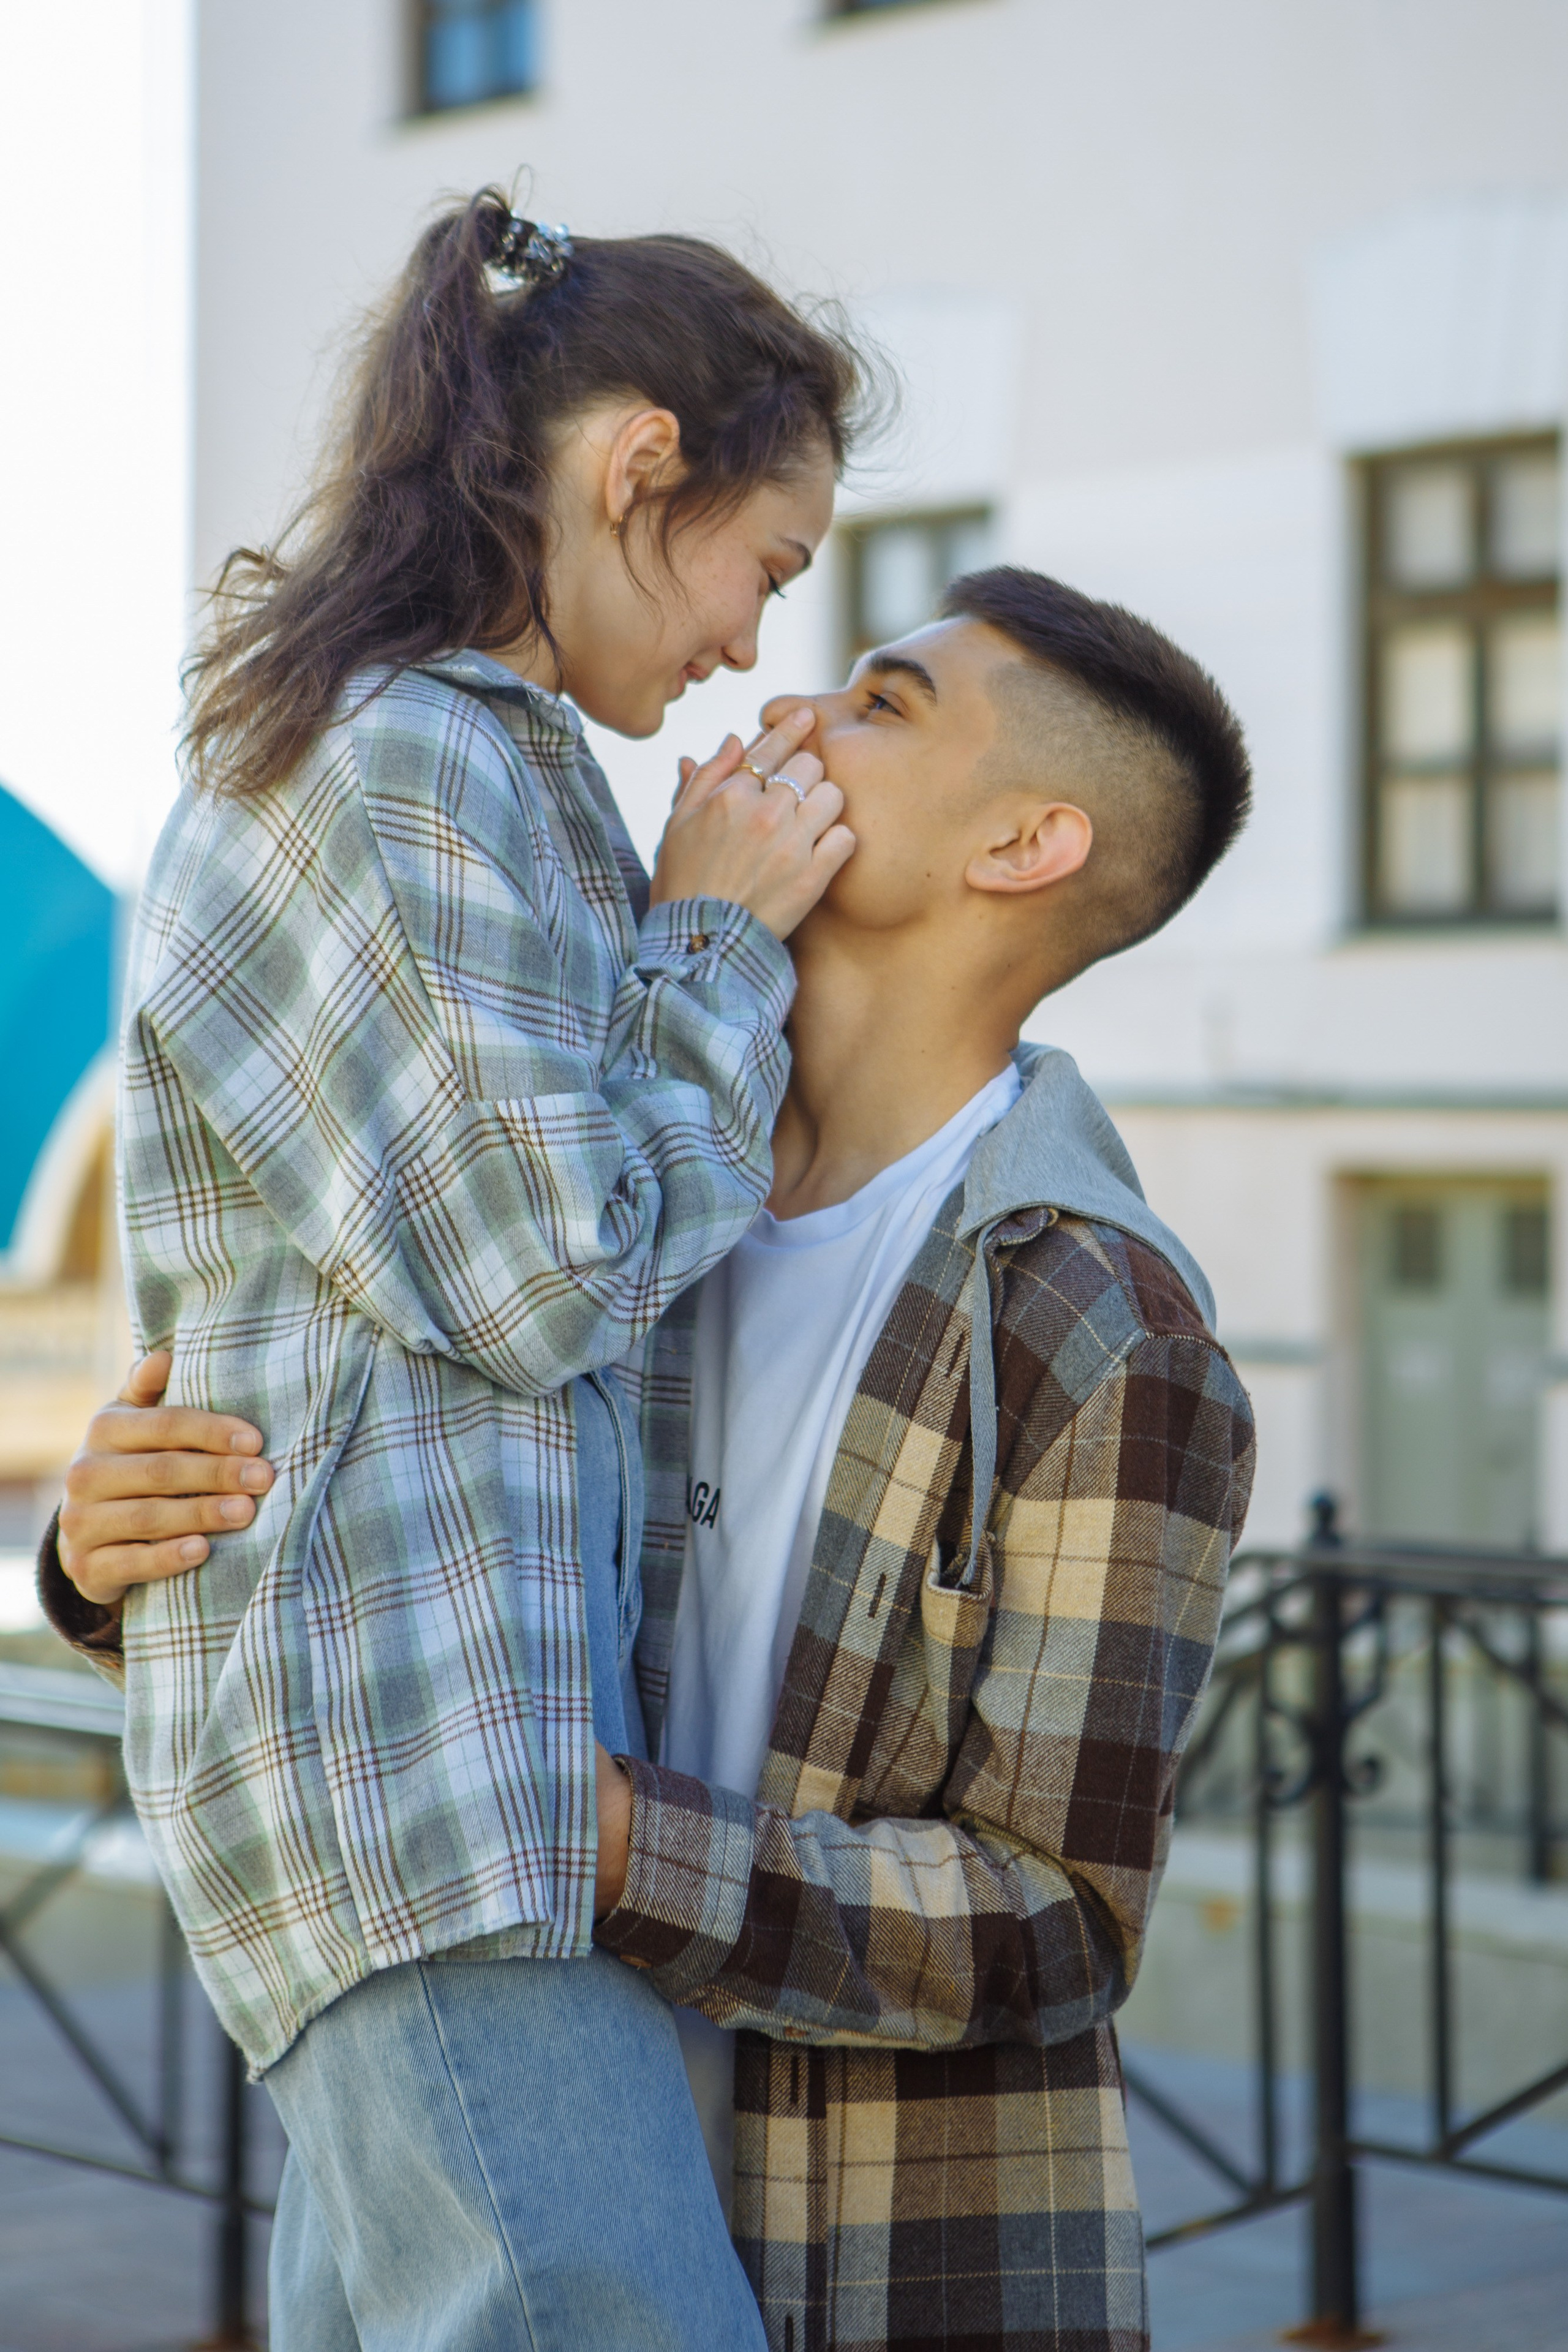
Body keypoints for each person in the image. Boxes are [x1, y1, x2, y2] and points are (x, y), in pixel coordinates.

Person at [48, 567, 1256, 2352]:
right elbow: (382, 1534)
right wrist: (112, 1559)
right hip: (453, 2189)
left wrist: (614, 1843)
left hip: (872, 2258)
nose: (781, 713)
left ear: (1024, 846)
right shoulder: (599, 1197)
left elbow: (1057, 1919)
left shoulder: (1101, 1325)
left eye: (882, 703)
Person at [53, 181, 881, 2351]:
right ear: (642, 468)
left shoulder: (460, 760)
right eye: (771, 565)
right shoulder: (405, 753)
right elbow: (542, 1280)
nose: (749, 649)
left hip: (445, 1775)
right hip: (422, 1782)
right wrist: (719, 940)